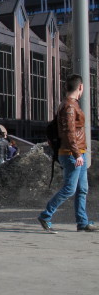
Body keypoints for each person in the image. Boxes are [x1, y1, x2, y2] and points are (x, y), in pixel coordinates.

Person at [38, 74, 96, 233]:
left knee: (82, 188)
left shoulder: (70, 104)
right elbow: (69, 132)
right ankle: (46, 215)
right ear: (81, 87)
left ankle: (82, 222)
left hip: (77, 152)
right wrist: (77, 154)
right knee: (70, 188)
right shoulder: (69, 107)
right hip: (71, 153)